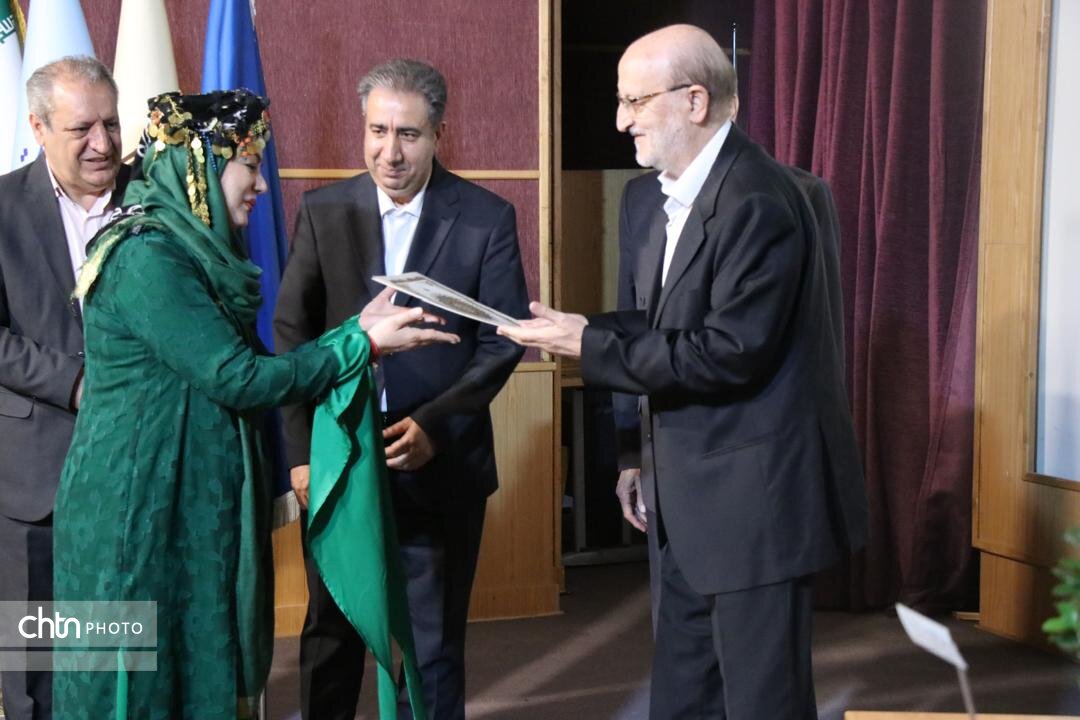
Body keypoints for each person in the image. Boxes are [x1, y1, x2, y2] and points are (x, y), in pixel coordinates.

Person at [498, 25, 868, 719]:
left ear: (695, 101)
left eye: (635, 101)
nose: (620, 121)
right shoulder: (646, 199)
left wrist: (589, 345)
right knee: (682, 699)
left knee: (762, 703)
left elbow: (727, 353)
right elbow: (655, 322)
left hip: (756, 504)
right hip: (681, 497)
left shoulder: (760, 200)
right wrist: (628, 444)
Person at [50, 89, 456, 719]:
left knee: (189, 662)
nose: (262, 186)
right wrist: (360, 344)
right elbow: (237, 378)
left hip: (182, 499)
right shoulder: (147, 257)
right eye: (250, 165)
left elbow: (247, 367)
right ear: (203, 168)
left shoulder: (190, 250)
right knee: (136, 679)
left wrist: (353, 334)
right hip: (136, 508)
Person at [273, 58, 528, 720]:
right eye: (378, 131)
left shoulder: (486, 217)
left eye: (408, 134)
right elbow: (292, 333)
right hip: (340, 462)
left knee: (431, 646)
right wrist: (300, 455)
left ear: (439, 134)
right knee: (330, 636)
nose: (390, 152)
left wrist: (436, 427)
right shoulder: (323, 211)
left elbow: (503, 341)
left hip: (439, 466)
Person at [0, 55, 130, 720]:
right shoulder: (0, 208)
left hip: (133, 472)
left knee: (119, 660)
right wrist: (76, 382)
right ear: (38, 127)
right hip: (34, 482)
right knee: (37, 677)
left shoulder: (157, 201)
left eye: (111, 123)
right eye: (82, 129)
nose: (103, 144)